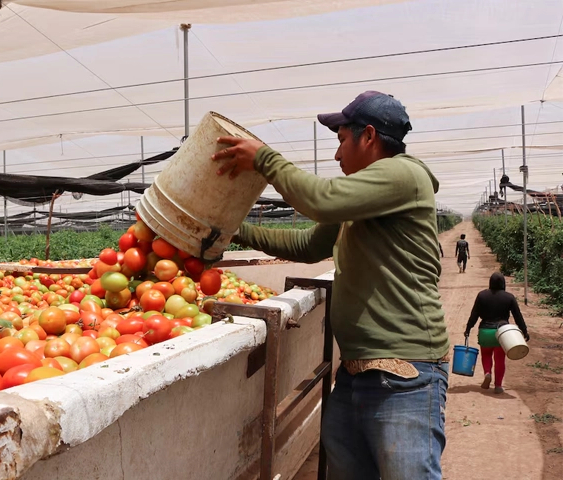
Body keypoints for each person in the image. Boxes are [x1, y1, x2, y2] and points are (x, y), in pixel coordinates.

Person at [213, 91, 449, 479]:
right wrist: (234, 232)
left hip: (404, 376)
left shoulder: (403, 174)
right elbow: (309, 245)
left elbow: (320, 200)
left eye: (341, 141)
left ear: (368, 136)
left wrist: (265, 159)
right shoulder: (365, 195)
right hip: (357, 374)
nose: (337, 156)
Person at [464, 272, 529, 394]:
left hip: (485, 332)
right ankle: (498, 385)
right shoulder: (509, 297)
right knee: (500, 359)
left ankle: (487, 373)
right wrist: (524, 331)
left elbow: (474, 315)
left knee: (486, 355)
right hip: (502, 334)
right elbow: (518, 316)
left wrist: (468, 328)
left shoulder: (482, 296)